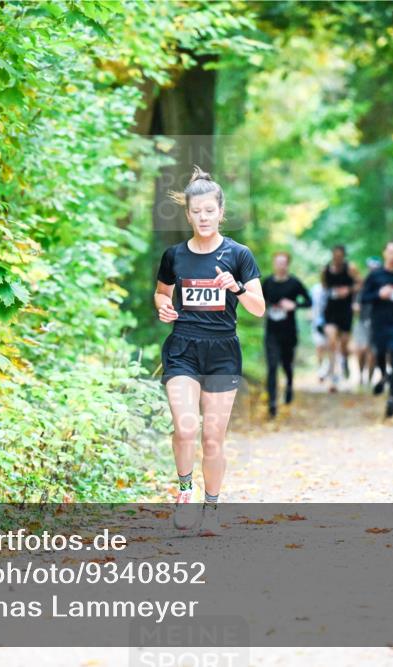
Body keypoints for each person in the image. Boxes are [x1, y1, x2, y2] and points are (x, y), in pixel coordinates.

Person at [155, 166, 265, 535]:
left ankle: (212, 508)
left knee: (212, 438)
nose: (203, 218)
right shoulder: (174, 256)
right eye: (196, 212)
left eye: (209, 211)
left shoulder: (239, 255)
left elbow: (258, 307)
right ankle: (185, 491)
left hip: (222, 351)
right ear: (187, 214)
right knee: (185, 428)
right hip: (182, 348)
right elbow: (161, 291)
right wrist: (162, 305)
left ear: (221, 211)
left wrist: (235, 287)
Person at [360, 241, 393, 418]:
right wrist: (379, 294)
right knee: (380, 353)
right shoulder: (375, 276)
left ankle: (392, 399)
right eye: (391, 252)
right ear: (385, 253)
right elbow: (363, 298)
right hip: (379, 323)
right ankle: (383, 376)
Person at [262, 252, 312, 418]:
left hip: (289, 332)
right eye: (278, 262)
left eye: (284, 263)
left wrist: (294, 304)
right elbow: (258, 300)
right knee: (272, 367)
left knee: (287, 365)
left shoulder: (294, 283)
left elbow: (309, 301)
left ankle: (289, 385)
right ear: (274, 264)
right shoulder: (267, 282)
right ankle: (272, 403)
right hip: (271, 332)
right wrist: (265, 308)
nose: (281, 266)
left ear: (288, 264)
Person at [322, 245, 361, 390]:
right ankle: (333, 377)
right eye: (335, 255)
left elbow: (360, 284)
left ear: (343, 256)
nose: (337, 258)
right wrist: (333, 292)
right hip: (331, 309)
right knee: (332, 341)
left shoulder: (350, 268)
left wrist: (348, 290)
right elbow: (324, 286)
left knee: (344, 343)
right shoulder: (325, 270)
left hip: (346, 310)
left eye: (340, 256)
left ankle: (344, 360)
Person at [352, 256, 381, 386]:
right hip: (362, 321)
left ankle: (369, 379)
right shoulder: (362, 286)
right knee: (361, 350)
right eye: (371, 268)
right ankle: (360, 376)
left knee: (373, 352)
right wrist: (355, 306)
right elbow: (355, 302)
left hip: (377, 323)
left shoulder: (382, 286)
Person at [310, 279, 328, 381]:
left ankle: (326, 370)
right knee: (320, 346)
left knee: (329, 347)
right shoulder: (315, 289)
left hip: (330, 321)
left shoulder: (331, 288)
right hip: (316, 322)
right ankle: (320, 368)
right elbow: (310, 302)